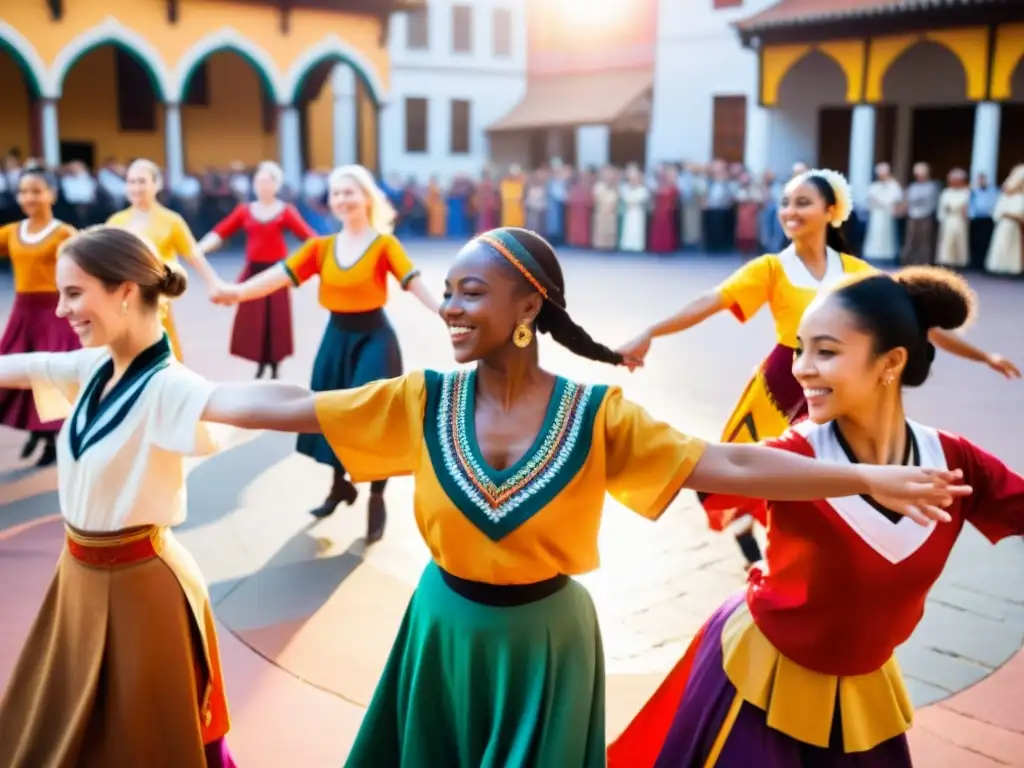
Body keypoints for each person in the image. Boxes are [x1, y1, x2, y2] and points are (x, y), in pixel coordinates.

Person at [199, 227, 965, 767]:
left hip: (548, 641)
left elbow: (726, 464)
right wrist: (182, 396)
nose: (451, 308)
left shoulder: (598, 416)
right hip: (441, 627)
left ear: (528, 307)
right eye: (450, 292)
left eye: (472, 292)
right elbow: (297, 405)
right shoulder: (420, 399)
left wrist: (864, 477)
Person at [608, 266, 1022, 767]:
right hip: (758, 681)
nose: (801, 367)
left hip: (862, 698)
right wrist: (867, 480)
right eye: (800, 348)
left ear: (890, 362)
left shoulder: (952, 460)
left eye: (825, 351)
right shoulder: (798, 449)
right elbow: (729, 463)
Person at [617, 169, 1020, 569]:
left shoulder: (858, 275)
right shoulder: (771, 269)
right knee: (753, 473)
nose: (790, 211)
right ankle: (761, 552)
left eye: (803, 202)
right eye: (786, 203)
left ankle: (819, 557)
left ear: (831, 211)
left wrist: (984, 357)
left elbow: (916, 319)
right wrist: (652, 331)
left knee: (826, 478)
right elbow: (711, 301)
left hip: (840, 389)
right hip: (779, 385)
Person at [0, 226, 258, 767]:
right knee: (64, 723)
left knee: (147, 736)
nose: (64, 309)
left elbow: (248, 403)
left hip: (145, 586)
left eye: (74, 293)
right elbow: (16, 368)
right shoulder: (93, 367)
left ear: (124, 291)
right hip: (78, 575)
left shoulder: (169, 386)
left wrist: (346, 410)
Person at [213, 164, 439, 540]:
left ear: (367, 197)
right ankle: (340, 485)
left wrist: (445, 310)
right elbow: (276, 277)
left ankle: (377, 496)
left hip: (374, 339)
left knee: (372, 417)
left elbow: (412, 280)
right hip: (337, 338)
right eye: (336, 193)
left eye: (349, 191)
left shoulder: (384, 244)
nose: (342, 199)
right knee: (334, 416)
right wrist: (235, 292)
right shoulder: (321, 248)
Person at [197, 160, 316, 379]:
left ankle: (275, 364)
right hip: (253, 270)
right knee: (254, 319)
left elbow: (310, 239)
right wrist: (197, 250)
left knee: (276, 318)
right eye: (259, 180)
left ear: (276, 184)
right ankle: (260, 363)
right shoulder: (245, 210)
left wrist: (326, 254)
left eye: (268, 180)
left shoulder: (286, 211)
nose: (263, 185)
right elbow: (221, 232)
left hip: (277, 273)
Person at [0, 166, 78, 466]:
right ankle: (39, 430)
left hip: (54, 313)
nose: (29, 197)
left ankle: (49, 440)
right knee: (16, 372)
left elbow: (83, 269)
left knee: (50, 377)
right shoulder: (10, 232)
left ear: (52, 194)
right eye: (23, 191)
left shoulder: (64, 234)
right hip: (23, 313)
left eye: (36, 190)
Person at [107, 159, 223, 360]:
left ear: (156, 184)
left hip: (157, 297)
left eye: (142, 181)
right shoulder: (116, 221)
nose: (136, 187)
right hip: (123, 299)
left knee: (160, 350)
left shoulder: (172, 221)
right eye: (131, 182)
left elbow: (193, 254)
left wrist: (214, 283)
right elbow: (102, 258)